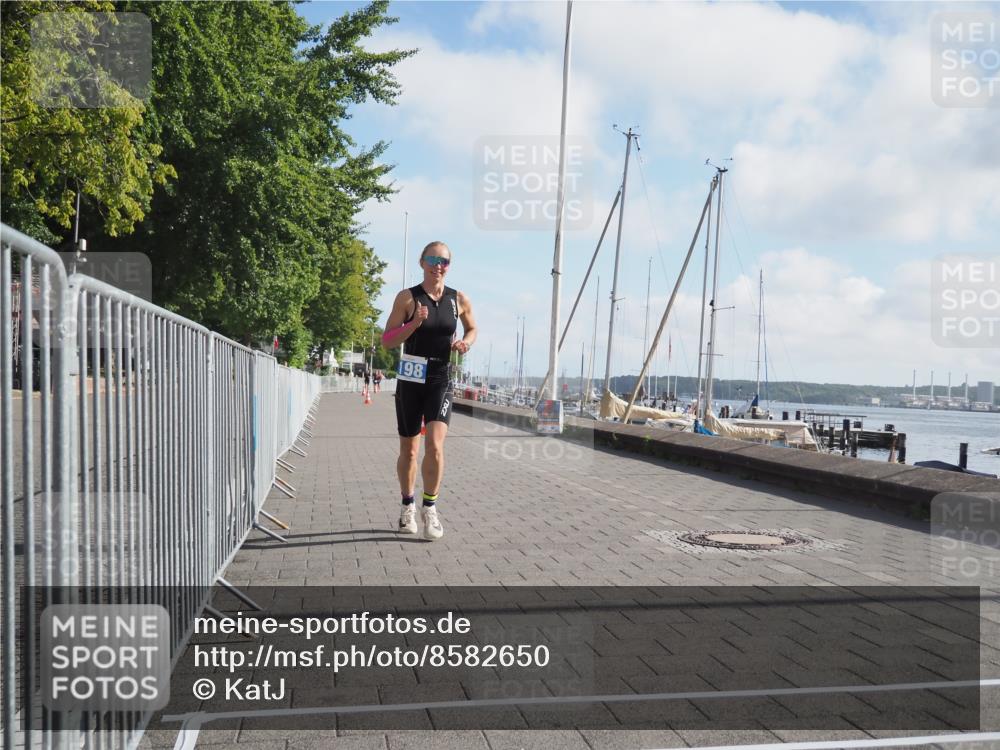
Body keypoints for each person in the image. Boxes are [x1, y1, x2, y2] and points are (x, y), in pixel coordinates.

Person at [381, 241, 476, 540]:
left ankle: (430, 509)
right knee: (409, 450)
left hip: (440, 377)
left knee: (435, 445)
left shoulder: (458, 298)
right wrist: (414, 323)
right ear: (422, 262)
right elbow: (388, 340)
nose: (438, 266)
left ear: (449, 266)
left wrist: (465, 343)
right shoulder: (407, 298)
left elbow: (472, 329)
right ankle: (407, 505)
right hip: (411, 377)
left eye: (444, 261)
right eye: (433, 260)